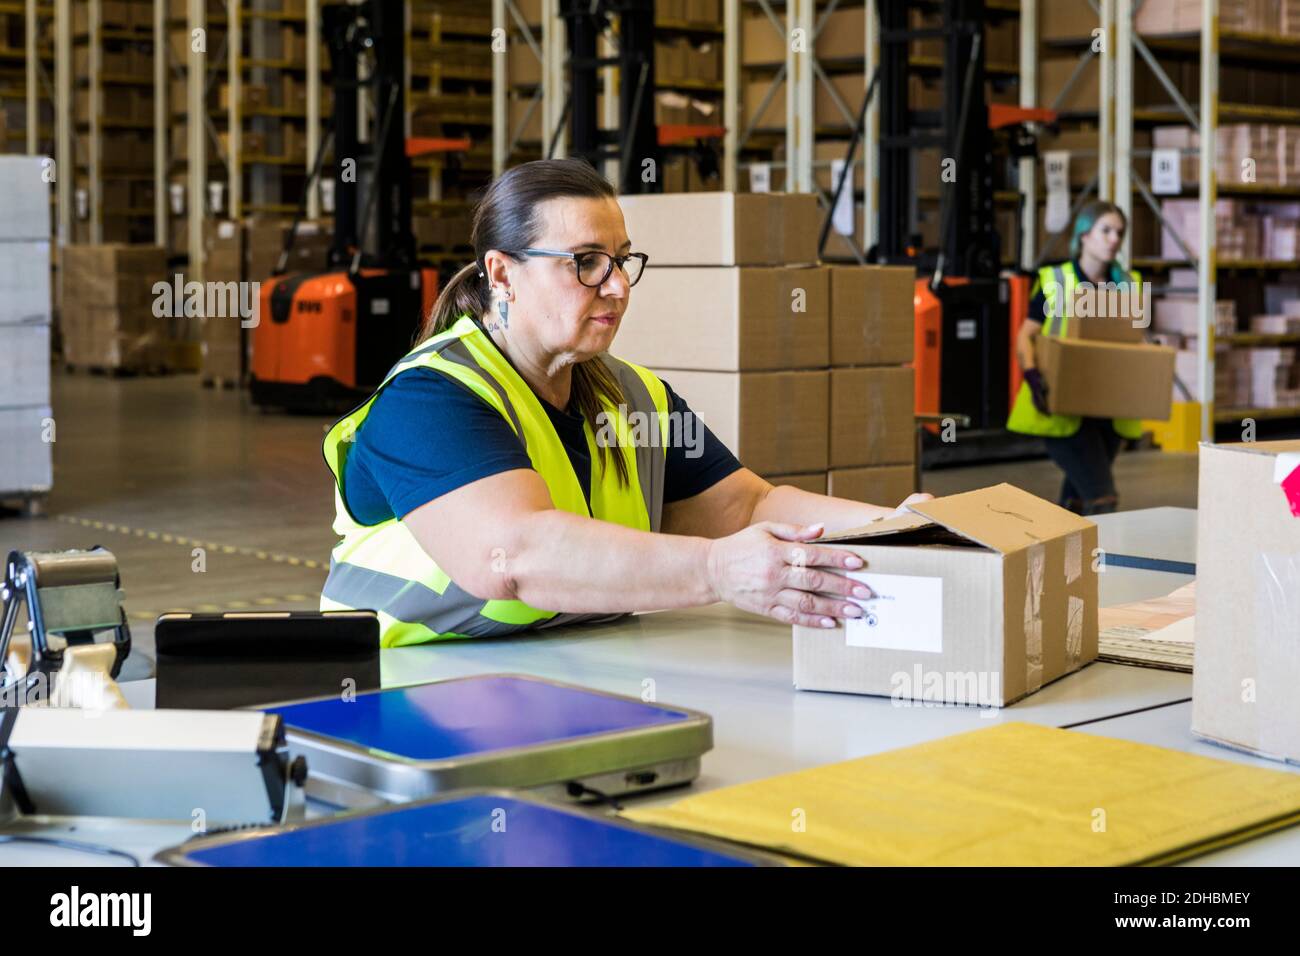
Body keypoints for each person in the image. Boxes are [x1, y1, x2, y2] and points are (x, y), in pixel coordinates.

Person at [319, 158, 928, 646]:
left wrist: (899, 528)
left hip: (560, 669)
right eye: (585, 263)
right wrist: (718, 571)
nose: (616, 286)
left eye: (620, 260)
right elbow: (512, 556)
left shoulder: (631, 396)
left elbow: (746, 506)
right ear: (502, 275)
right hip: (401, 692)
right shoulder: (429, 398)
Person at [1007, 201, 1143, 516]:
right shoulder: (1056, 279)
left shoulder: (1127, 284)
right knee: (1101, 496)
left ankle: (1066, 558)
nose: (1114, 239)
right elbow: (1024, 335)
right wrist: (1032, 373)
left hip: (1109, 411)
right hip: (1061, 406)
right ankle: (1104, 561)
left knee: (1077, 500)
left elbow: (1137, 339)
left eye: (1119, 233)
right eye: (1105, 230)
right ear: (1084, 235)